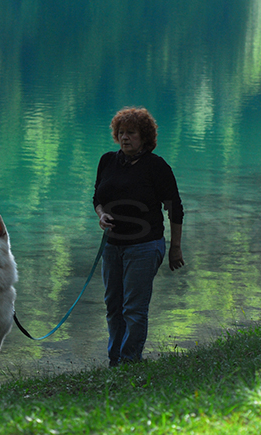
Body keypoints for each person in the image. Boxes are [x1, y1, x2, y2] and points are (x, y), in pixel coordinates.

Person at [93, 107, 184, 367]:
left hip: (145, 246)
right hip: (112, 246)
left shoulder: (156, 166)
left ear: (144, 136)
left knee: (133, 308)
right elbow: (97, 198)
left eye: (131, 133)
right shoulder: (107, 161)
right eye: (121, 133)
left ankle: (129, 361)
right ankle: (115, 361)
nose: (124, 138)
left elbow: (175, 208)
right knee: (113, 305)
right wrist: (101, 215)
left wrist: (175, 248)